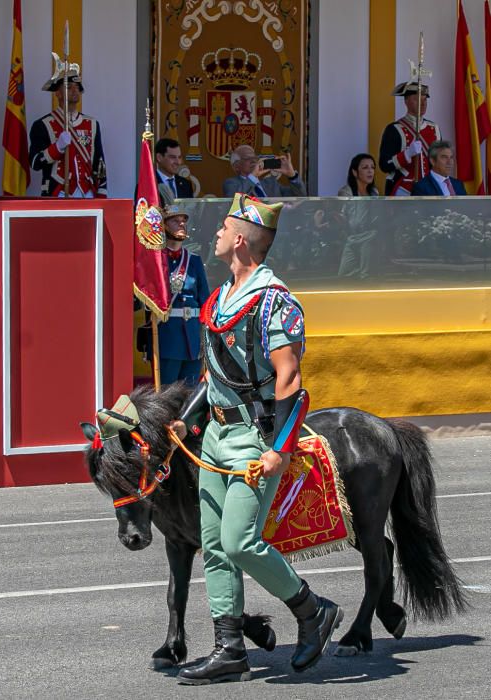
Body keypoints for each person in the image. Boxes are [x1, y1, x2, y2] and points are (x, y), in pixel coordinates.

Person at [173, 193, 342, 685]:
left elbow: (289, 380)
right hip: (215, 435)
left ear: (241, 239)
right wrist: (187, 418)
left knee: (241, 541)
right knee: (215, 546)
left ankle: (312, 610)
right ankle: (229, 649)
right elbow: (214, 377)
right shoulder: (220, 297)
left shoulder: (275, 302)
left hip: (254, 436)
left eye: (224, 229)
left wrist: (277, 450)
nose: (216, 235)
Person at [143, 203, 209, 386]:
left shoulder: (194, 260)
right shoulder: (156, 261)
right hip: (167, 337)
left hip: (193, 339)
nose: (182, 225)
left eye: (184, 221)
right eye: (175, 221)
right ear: (163, 225)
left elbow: (205, 300)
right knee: (166, 394)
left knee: (191, 395)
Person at [29, 61, 107, 197]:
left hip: (87, 193)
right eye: (69, 87)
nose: (74, 90)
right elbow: (35, 162)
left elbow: (99, 163)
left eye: (77, 87)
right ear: (57, 94)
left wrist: (101, 194)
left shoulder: (92, 124)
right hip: (58, 191)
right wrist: (57, 148)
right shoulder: (42, 125)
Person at [379, 81, 442, 195]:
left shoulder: (434, 128)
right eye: (416, 99)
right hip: (403, 189)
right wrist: (407, 154)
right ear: (406, 101)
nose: (422, 104)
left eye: (424, 100)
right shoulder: (394, 129)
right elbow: (384, 164)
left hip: (429, 189)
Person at [333, 154, 381, 278]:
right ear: (355, 172)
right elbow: (344, 219)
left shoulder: (374, 192)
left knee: (366, 274)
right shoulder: (345, 192)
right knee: (343, 276)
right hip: (352, 238)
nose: (370, 171)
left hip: (370, 236)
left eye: (372, 167)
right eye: (365, 167)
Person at [222, 145, 306, 198]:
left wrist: (292, 175)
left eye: (254, 157)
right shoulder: (231, 183)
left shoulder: (271, 183)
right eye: (247, 158)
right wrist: (253, 176)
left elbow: (301, 196)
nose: (253, 161)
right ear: (236, 166)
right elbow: (235, 201)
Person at [155, 137, 194, 204]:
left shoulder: (186, 184)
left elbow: (191, 211)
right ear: (159, 157)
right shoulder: (149, 185)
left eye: (179, 157)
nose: (178, 162)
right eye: (172, 157)